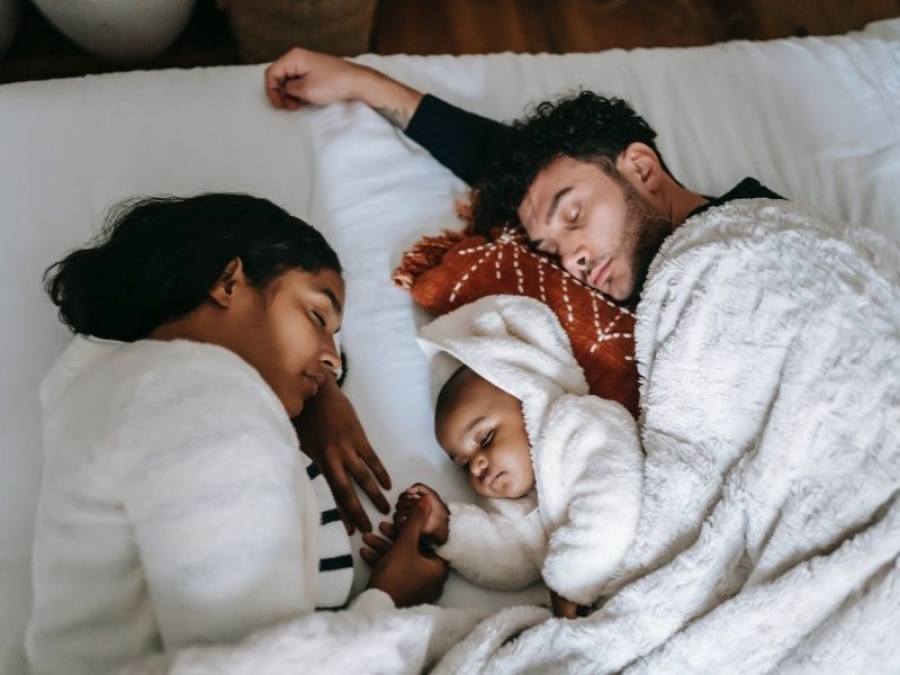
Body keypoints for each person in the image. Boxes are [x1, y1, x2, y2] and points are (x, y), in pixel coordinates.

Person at [260, 48, 783, 530]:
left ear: (642, 169)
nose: (572, 259)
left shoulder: (761, 231)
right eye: (550, 248)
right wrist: (360, 83)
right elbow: (501, 163)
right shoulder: (616, 278)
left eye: (573, 215)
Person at [27, 194, 448, 675]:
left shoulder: (134, 392)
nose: (333, 359)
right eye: (318, 318)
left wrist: (315, 391)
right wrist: (386, 607)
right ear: (228, 282)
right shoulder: (195, 392)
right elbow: (258, 663)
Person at [361, 295, 643, 619]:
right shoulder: (522, 504)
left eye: (485, 438)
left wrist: (573, 580)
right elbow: (513, 563)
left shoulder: (579, 423)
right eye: (463, 464)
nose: (477, 466)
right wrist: (448, 527)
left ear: (527, 399)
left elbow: (612, 498)